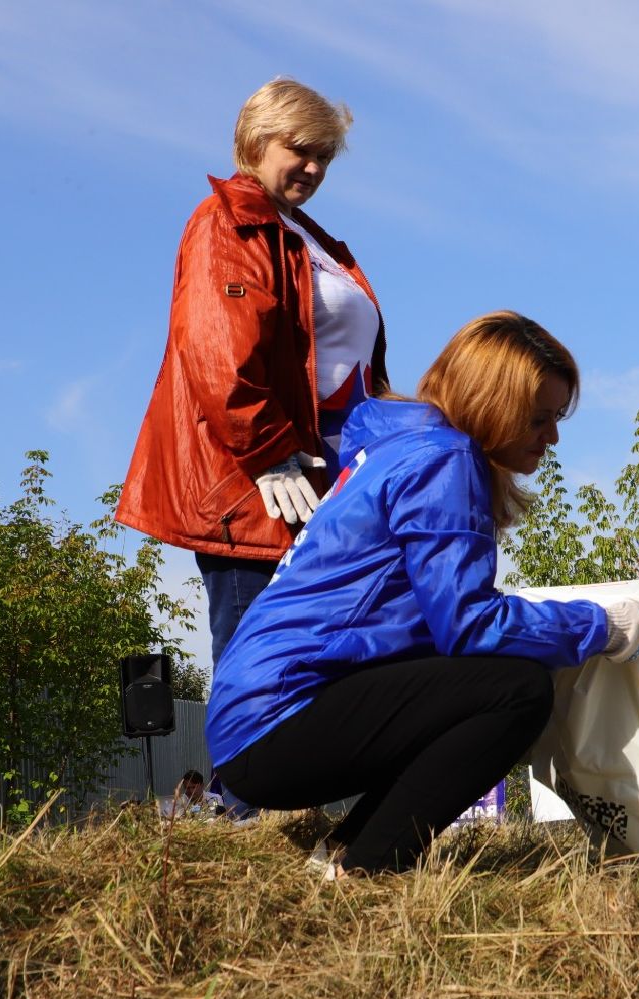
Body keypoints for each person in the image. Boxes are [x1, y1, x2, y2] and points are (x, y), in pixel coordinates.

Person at [208, 312, 639, 877]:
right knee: (516, 690)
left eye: (556, 418)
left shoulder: (401, 449)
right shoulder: (443, 460)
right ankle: (367, 870)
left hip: (254, 717)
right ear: (492, 402)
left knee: (475, 679)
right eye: (539, 418)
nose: (552, 437)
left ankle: (342, 855)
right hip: (276, 723)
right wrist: (602, 626)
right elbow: (470, 624)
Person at [116, 77, 389, 666]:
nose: (314, 167)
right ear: (257, 141)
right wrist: (269, 454)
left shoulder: (308, 237)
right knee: (260, 666)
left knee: (324, 665)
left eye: (325, 156)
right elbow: (218, 350)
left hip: (327, 488)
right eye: (300, 149)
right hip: (260, 491)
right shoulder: (228, 220)